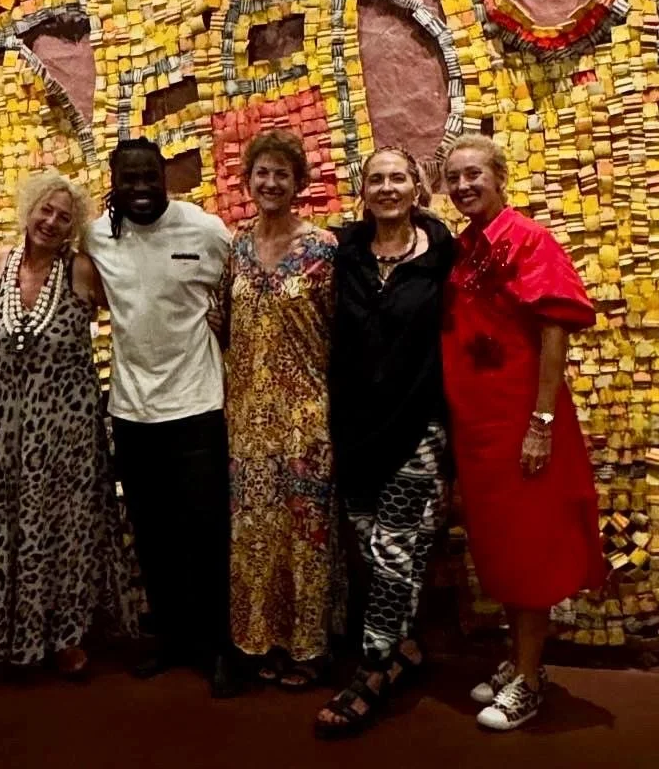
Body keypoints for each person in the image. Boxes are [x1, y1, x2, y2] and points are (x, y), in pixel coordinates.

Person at [441, 134, 606, 732]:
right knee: (503, 548)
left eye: (474, 173)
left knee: (531, 547)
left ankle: (532, 680)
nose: (463, 185)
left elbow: (553, 329)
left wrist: (542, 421)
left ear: (500, 177)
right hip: (479, 427)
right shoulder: (464, 248)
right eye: (454, 177)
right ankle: (520, 660)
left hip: (521, 420)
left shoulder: (529, 239)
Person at [0, 170, 138, 676]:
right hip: (6, 430)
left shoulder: (81, 270)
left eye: (64, 217)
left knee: (68, 530)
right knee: (10, 527)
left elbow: (138, 308)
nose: (52, 222)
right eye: (46, 210)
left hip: (69, 432)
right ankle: (11, 632)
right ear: (29, 209)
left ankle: (67, 636)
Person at [82, 137, 238, 696]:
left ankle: (219, 648)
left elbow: (246, 287)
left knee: (207, 534)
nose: (142, 189)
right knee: (152, 535)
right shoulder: (96, 236)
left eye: (151, 177)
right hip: (131, 412)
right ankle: (172, 639)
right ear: (114, 181)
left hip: (197, 407)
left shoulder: (205, 230)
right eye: (130, 179)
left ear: (165, 175)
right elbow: (38, 253)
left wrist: (228, 332)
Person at [316, 147, 455, 739]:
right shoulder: (344, 251)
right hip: (356, 430)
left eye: (398, 178)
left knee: (395, 551)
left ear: (417, 189)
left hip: (419, 426)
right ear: (364, 192)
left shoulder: (443, 254)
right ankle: (405, 647)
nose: (388, 188)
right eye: (377, 179)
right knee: (377, 553)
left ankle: (371, 672)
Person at [223, 130, 338, 690]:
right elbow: (221, 324)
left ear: (299, 184)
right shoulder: (235, 249)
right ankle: (261, 639)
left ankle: (309, 647)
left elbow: (342, 329)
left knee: (306, 530)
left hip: (304, 414)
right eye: (261, 173)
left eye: (281, 175)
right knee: (255, 530)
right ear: (247, 181)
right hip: (246, 416)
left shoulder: (323, 248)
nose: (270, 183)